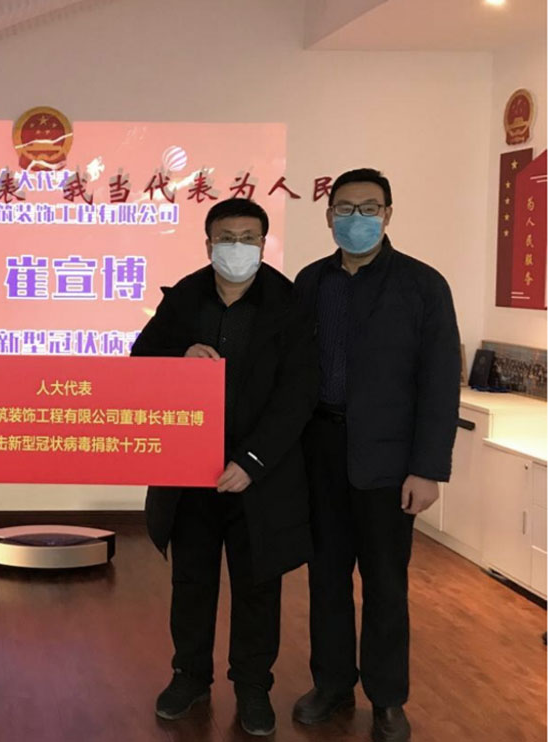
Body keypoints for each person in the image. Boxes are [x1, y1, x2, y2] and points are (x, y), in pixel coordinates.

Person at [131, 197, 318, 737]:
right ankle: (189, 675)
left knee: (259, 586)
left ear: (263, 243)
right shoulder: (183, 298)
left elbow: (299, 393)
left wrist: (252, 461)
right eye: (226, 238)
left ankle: (253, 686)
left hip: (261, 475)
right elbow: (139, 366)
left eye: (248, 238)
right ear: (208, 243)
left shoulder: (289, 303)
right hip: (191, 473)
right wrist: (178, 360)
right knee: (192, 581)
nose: (237, 248)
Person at [292, 169, 460, 742]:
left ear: (388, 214)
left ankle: (387, 698)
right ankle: (332, 684)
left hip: (389, 462)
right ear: (328, 215)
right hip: (320, 452)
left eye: (369, 208)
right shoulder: (311, 282)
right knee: (326, 579)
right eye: (345, 208)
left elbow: (439, 383)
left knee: (386, 584)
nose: (356, 218)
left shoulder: (422, 285)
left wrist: (428, 469)